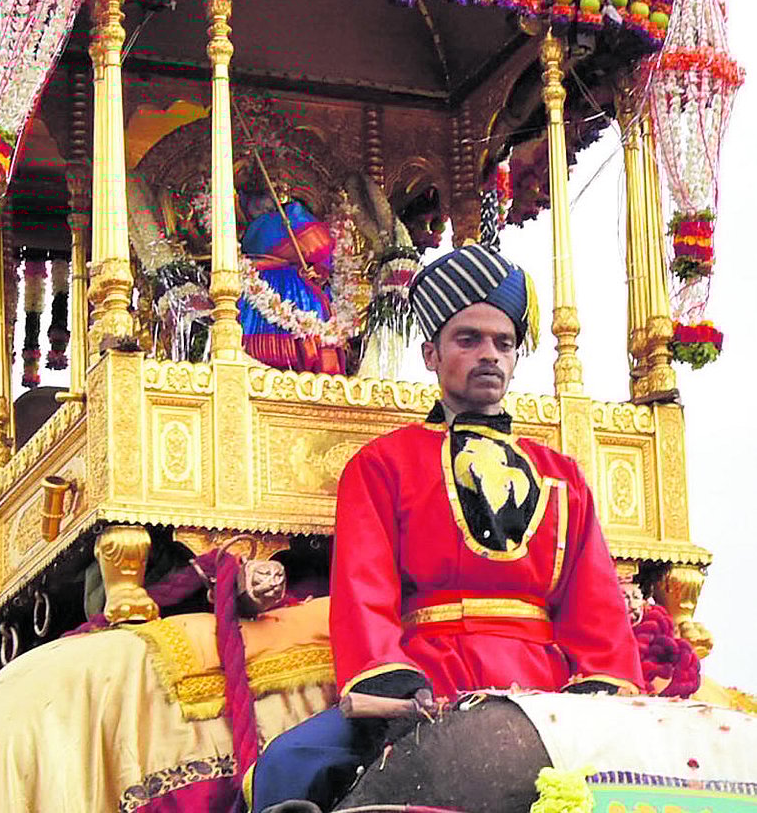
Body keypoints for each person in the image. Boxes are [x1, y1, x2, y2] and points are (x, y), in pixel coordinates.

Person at [249, 243, 644, 813]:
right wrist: (389, 680)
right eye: (469, 340)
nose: (490, 355)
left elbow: (595, 602)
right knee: (288, 764)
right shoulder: (383, 462)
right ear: (431, 355)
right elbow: (364, 587)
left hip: (546, 683)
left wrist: (599, 684)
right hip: (427, 676)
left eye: (503, 343)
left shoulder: (564, 477)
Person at [238, 182, 345, 375]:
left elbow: (319, 249)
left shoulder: (288, 217)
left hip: (289, 285)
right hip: (260, 285)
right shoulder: (263, 226)